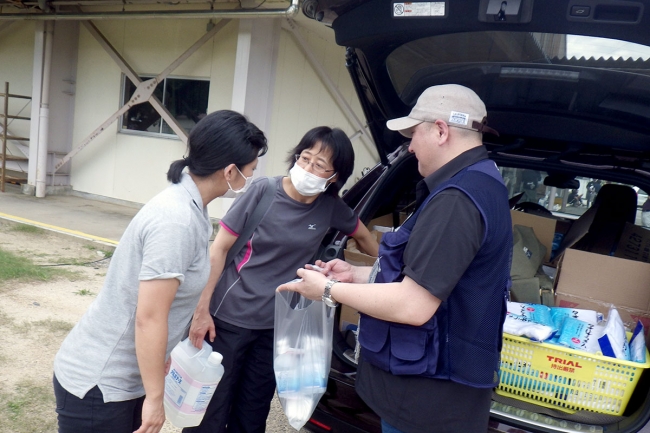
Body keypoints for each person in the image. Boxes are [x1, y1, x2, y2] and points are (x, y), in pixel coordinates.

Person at [279, 84, 513, 433]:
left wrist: (327, 290)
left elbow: (414, 305)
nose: (410, 146)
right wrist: (356, 275)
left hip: (428, 406)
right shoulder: (482, 183)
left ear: (440, 130)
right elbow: (434, 275)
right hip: (438, 396)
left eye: (414, 134)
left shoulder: (457, 200)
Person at [52, 110, 268, 433]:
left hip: (126, 379)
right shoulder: (176, 220)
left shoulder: (192, 208)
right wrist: (155, 398)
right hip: (102, 385)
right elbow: (149, 316)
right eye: (249, 172)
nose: (249, 180)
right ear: (230, 171)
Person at [183, 126, 379, 433]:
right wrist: (201, 310)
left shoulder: (330, 208)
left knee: (252, 412)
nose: (307, 168)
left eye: (319, 165)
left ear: (334, 176)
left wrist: (387, 268)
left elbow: (369, 241)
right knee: (210, 410)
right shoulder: (263, 191)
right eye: (305, 157)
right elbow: (219, 249)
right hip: (228, 320)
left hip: (275, 327)